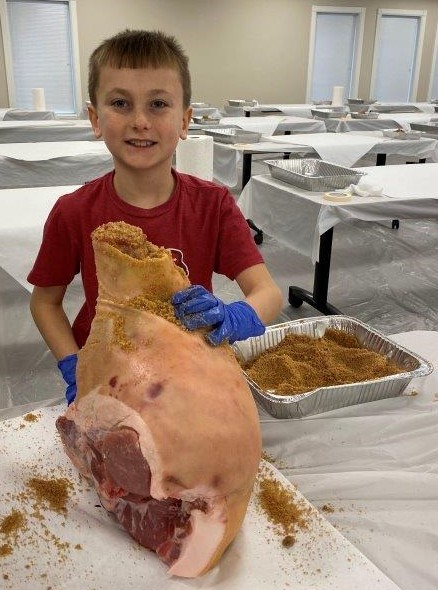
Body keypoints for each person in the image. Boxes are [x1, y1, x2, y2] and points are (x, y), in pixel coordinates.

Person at [27, 29, 283, 404]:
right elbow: (44, 302)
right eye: (120, 103)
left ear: (185, 120)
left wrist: (234, 317)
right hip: (108, 376)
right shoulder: (75, 211)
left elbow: (269, 293)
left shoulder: (212, 205)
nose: (140, 121)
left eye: (159, 104)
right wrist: (74, 364)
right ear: (96, 119)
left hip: (190, 370)